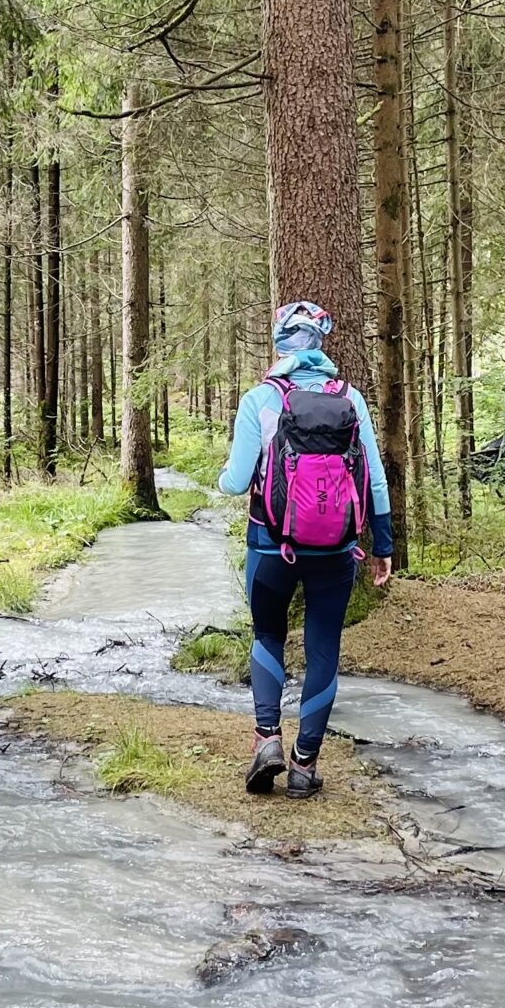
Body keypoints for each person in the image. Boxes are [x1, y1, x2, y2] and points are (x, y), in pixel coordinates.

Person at [217, 298, 394, 798]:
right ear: (321, 343)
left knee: (268, 634)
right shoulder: (349, 398)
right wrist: (382, 542)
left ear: (278, 343)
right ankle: (303, 766)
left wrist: (223, 476)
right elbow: (374, 479)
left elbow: (234, 483)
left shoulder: (260, 399)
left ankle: (267, 739)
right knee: (322, 649)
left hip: (270, 544)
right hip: (337, 548)